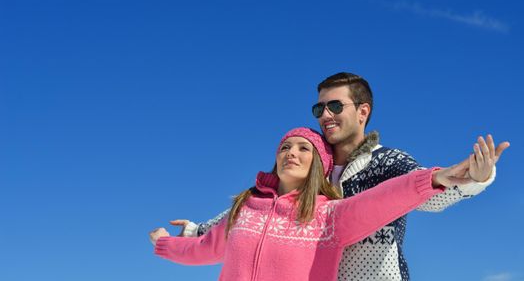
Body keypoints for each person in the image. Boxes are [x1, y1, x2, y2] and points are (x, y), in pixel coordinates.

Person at [172, 72, 511, 281]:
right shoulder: (308, 165)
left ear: (363, 111)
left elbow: (425, 190)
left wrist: (473, 179)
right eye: (319, 108)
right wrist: (195, 230)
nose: (325, 115)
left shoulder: (387, 162)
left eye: (336, 106)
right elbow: (261, 210)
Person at [150, 127, 491, 281]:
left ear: (319, 165)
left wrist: (436, 178)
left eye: (303, 148)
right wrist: (165, 244)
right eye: (285, 147)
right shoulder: (247, 208)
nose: (291, 153)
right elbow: (204, 248)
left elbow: (385, 199)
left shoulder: (329, 216)